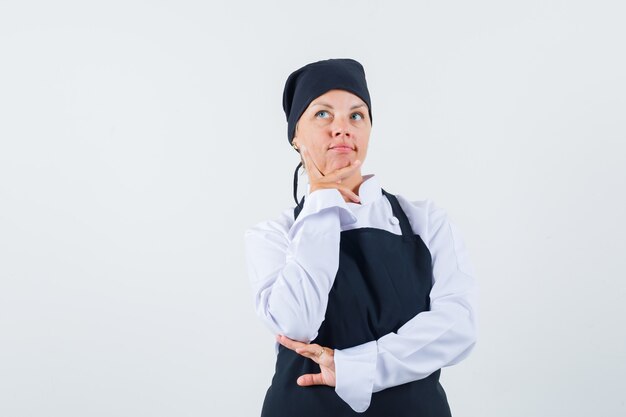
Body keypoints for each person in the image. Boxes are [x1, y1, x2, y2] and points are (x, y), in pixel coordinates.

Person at [244, 58, 477, 416]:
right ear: (295, 136)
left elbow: (457, 327)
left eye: (356, 115)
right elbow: (298, 323)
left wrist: (356, 367)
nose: (342, 128)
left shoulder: (425, 221)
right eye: (322, 114)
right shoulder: (273, 236)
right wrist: (322, 199)